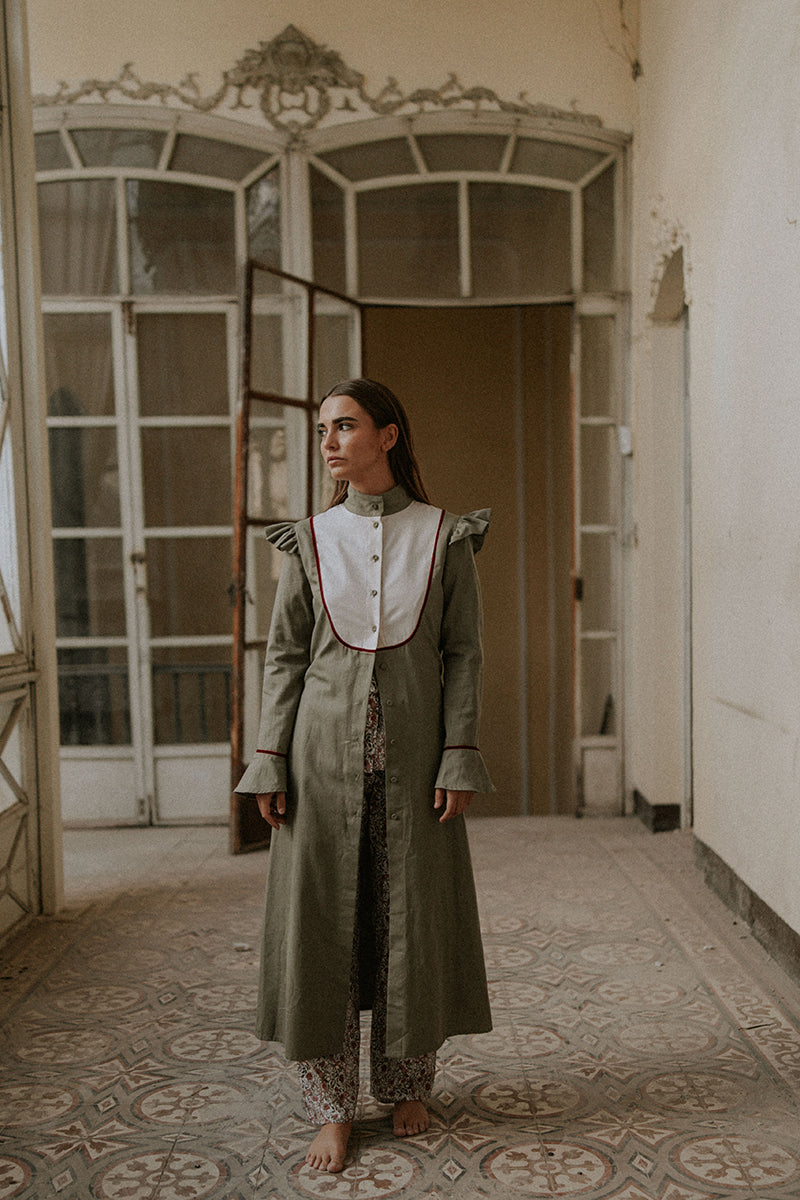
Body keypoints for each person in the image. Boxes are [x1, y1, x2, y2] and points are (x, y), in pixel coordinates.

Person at [235, 378, 493, 1174]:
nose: (328, 442)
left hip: (414, 765)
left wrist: (457, 754)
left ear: (388, 434)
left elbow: (462, 655)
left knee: (410, 922)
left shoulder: (444, 536)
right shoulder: (308, 539)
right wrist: (270, 756)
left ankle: (408, 1082)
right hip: (318, 763)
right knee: (324, 927)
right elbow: (283, 656)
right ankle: (332, 1109)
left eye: (344, 426)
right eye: (322, 430)